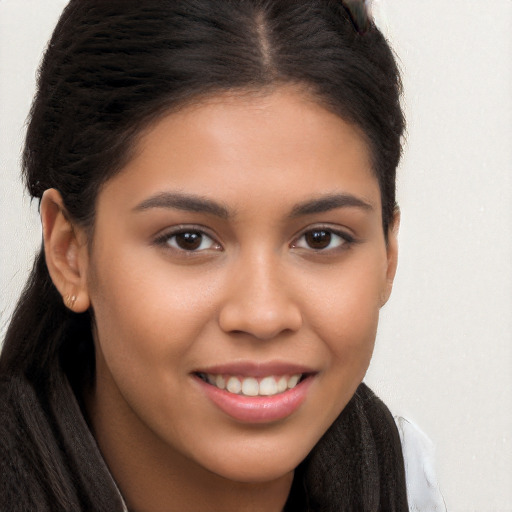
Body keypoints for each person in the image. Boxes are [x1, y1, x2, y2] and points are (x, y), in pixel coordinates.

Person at [0, 1, 445, 510]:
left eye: (321, 238)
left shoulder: (403, 479)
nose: (262, 314)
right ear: (69, 253)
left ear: (388, 254)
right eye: (188, 239)